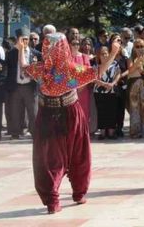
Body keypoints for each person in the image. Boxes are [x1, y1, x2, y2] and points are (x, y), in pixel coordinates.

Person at [25, 30, 98, 214]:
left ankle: (53, 201)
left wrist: (21, 49)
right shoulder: (71, 69)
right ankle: (79, 193)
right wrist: (112, 54)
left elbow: (24, 66)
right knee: (78, 154)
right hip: (70, 113)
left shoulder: (40, 68)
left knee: (49, 158)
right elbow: (94, 73)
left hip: (47, 115)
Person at [6, 27, 39, 139]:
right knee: (15, 111)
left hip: (30, 86)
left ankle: (35, 132)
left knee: (33, 111)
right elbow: (8, 71)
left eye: (26, 39)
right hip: (16, 86)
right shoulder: (11, 54)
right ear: (17, 40)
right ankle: (15, 132)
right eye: (22, 39)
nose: (24, 41)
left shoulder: (35, 54)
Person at [94, 46, 121, 140]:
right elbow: (94, 79)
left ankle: (111, 132)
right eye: (102, 54)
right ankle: (102, 132)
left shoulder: (114, 63)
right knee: (101, 112)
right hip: (99, 91)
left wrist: (113, 83)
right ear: (99, 56)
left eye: (106, 53)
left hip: (112, 90)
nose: (104, 55)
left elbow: (118, 74)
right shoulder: (95, 66)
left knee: (112, 111)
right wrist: (105, 84)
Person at [126, 38, 144, 138]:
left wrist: (142, 71)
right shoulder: (130, 59)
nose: (140, 48)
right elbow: (130, 71)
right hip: (133, 84)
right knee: (134, 108)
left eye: (142, 46)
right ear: (134, 48)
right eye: (137, 46)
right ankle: (135, 132)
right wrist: (138, 62)